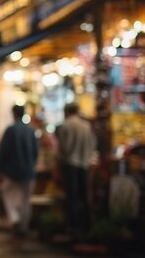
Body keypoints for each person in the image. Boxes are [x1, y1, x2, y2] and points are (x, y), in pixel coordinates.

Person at [0, 104, 38, 238]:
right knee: (26, 200)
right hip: (28, 171)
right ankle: (23, 226)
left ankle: (15, 220)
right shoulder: (31, 131)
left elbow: (3, 152)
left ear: (14, 114)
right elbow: (36, 152)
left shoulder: (10, 130)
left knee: (8, 196)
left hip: (11, 171)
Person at [55, 102, 96, 239]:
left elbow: (63, 148)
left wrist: (60, 163)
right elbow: (92, 145)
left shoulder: (66, 125)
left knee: (72, 196)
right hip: (84, 164)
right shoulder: (86, 125)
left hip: (70, 164)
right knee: (84, 196)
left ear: (66, 111)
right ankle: (87, 226)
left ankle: (73, 227)